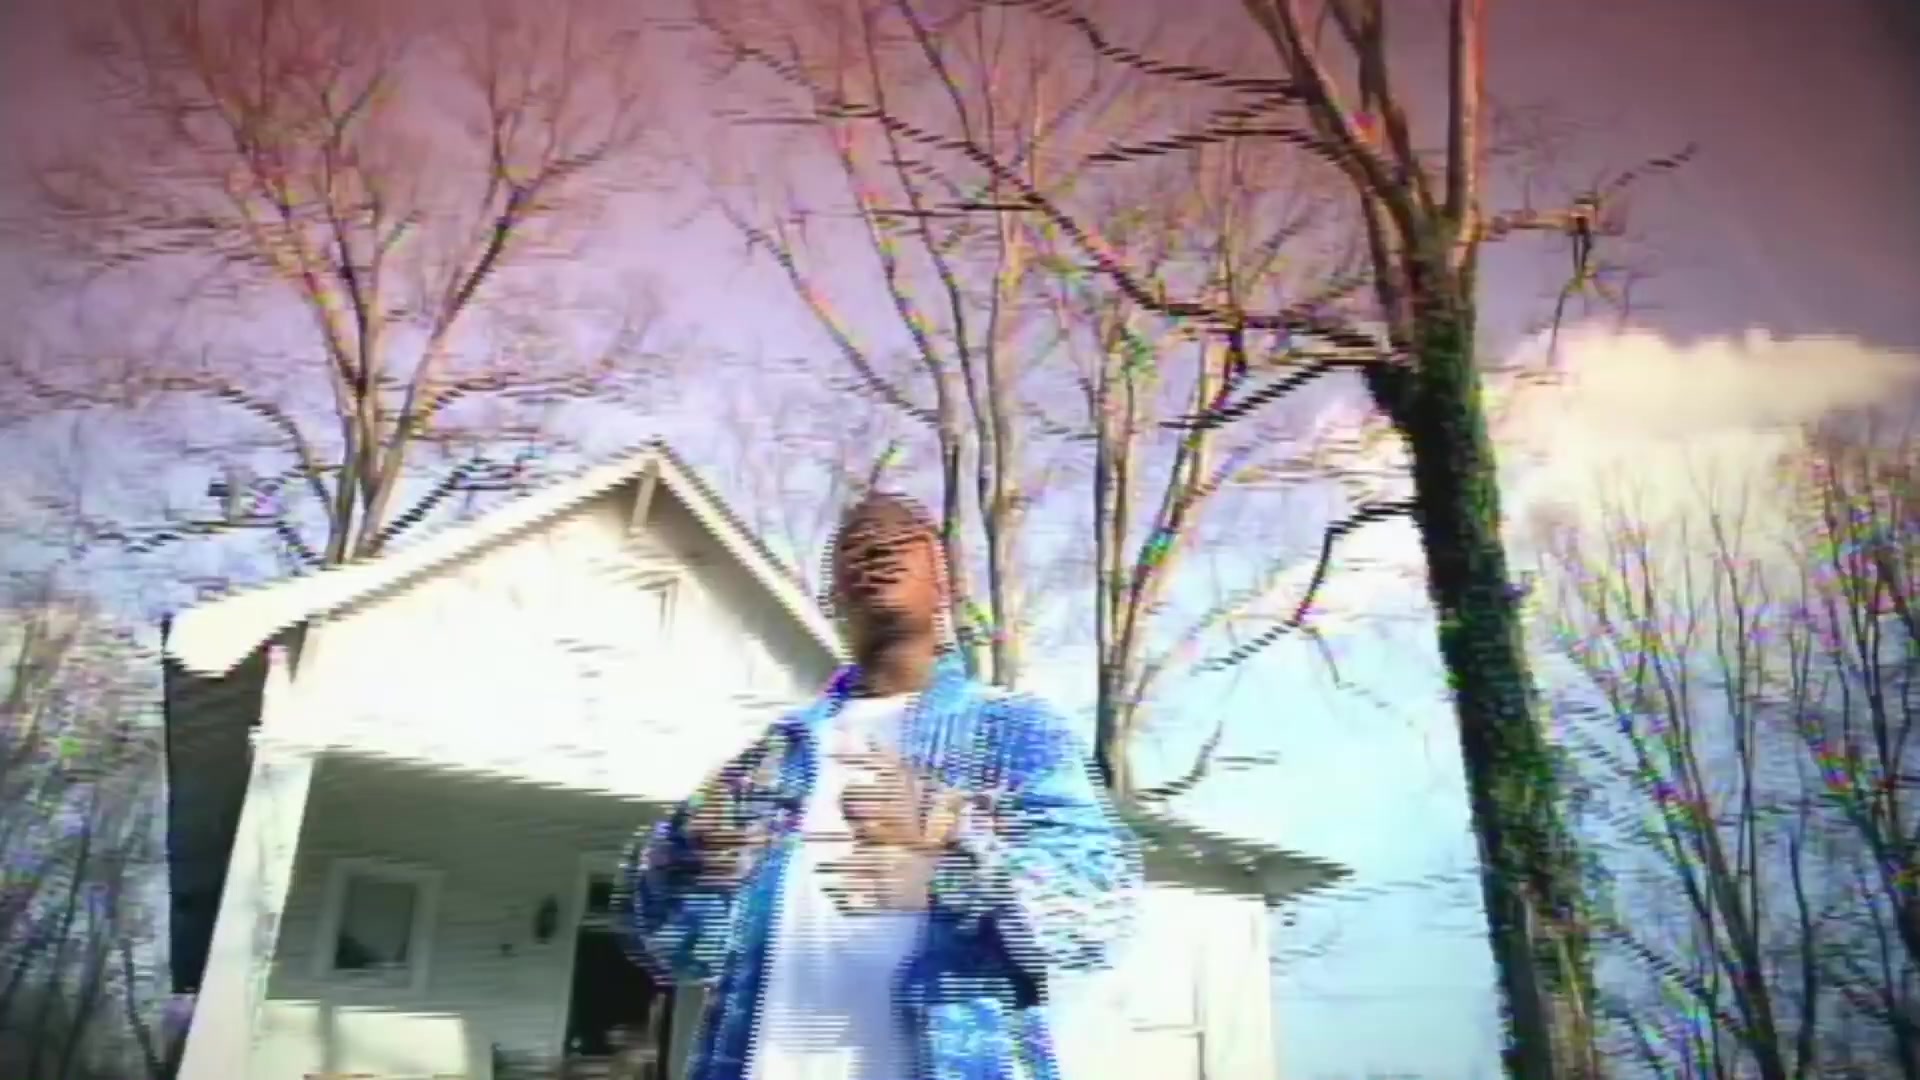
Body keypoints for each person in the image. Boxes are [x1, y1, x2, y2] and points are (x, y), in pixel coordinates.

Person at [614, 490, 1142, 1080]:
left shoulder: (1014, 731)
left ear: (944, 584)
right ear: (834, 595)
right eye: (854, 545)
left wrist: (953, 849)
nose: (875, 546)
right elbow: (682, 950)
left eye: (900, 539)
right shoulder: (772, 757)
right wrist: (682, 861)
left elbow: (1098, 917)